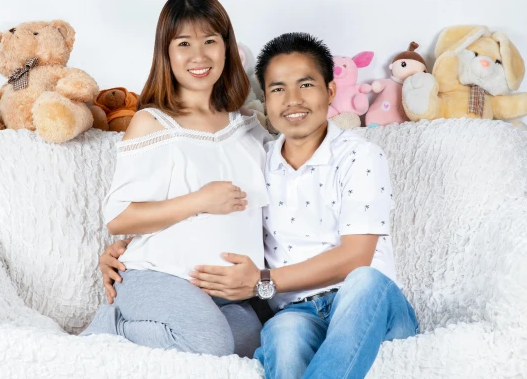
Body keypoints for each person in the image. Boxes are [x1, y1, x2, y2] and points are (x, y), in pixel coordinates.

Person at [102, 33, 419, 378]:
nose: (292, 100)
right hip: (299, 312)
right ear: (265, 99)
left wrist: (262, 282)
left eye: (306, 85)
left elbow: (357, 257)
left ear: (330, 92)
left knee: (365, 281)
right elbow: (218, 221)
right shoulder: (258, 160)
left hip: (371, 306)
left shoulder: (360, 156)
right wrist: (127, 249)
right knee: (280, 335)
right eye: (278, 89)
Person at [79, 0, 269, 359]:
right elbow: (118, 217)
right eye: (184, 43)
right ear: (166, 53)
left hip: (227, 294)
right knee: (211, 344)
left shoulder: (250, 128)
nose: (199, 56)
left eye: (210, 41)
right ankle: (109, 327)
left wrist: (261, 284)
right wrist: (200, 201)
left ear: (227, 49)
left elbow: (268, 222)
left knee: (251, 342)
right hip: (160, 276)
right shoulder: (153, 123)